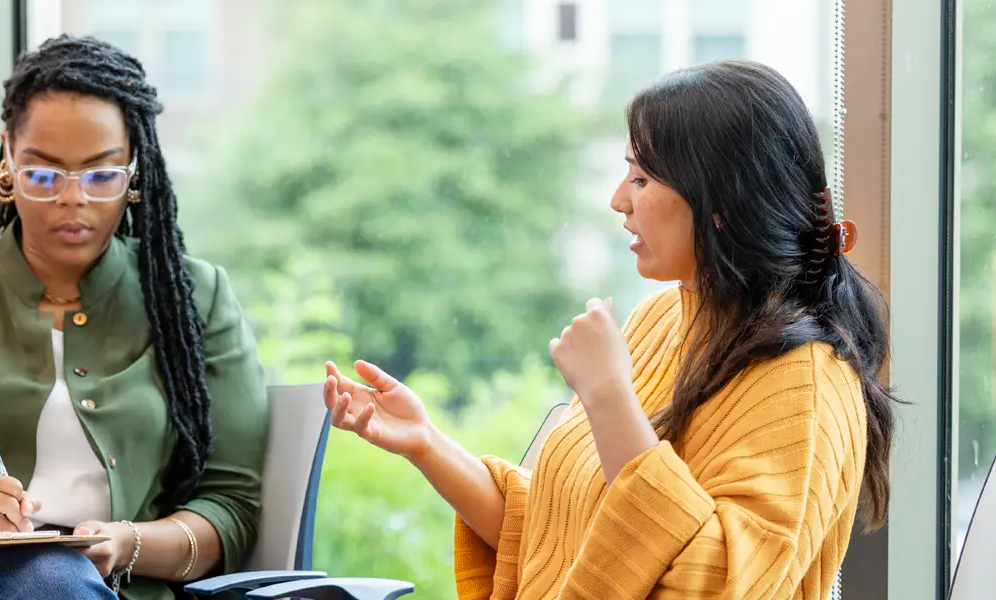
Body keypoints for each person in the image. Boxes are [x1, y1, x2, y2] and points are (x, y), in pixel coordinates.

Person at [321, 59, 897, 600]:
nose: (618, 199)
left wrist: (608, 397)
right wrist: (426, 443)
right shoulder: (657, 319)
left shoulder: (807, 382)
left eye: (643, 178)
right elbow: (565, 535)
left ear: (722, 201)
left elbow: (716, 583)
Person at [0, 36, 268, 600]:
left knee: (56, 578)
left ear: (136, 167)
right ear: (8, 154)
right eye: (43, 175)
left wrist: (125, 543)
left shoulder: (198, 300)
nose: (71, 201)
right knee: (44, 577)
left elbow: (231, 505)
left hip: (111, 588)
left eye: (101, 175)